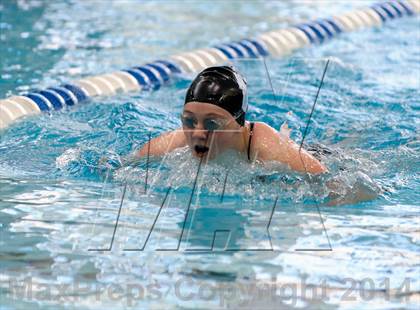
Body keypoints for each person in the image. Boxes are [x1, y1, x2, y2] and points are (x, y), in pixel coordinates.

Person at [133, 66, 327, 174]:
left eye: (212, 124)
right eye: (190, 121)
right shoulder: (172, 144)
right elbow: (122, 168)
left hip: (320, 152)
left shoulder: (267, 145)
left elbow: (327, 179)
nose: (198, 133)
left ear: (239, 122)